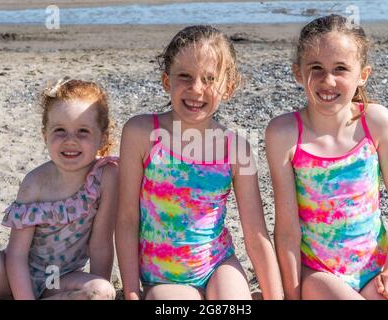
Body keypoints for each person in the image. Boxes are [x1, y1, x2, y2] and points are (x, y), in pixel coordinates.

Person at [116, 25, 283, 300]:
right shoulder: (141, 133)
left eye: (209, 79)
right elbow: (126, 219)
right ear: (166, 81)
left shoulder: (236, 148)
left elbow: (255, 234)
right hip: (163, 275)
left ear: (227, 88)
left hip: (218, 264)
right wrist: (132, 291)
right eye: (185, 76)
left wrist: (276, 297)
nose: (196, 89)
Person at [266, 14, 388, 300]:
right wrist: (293, 294)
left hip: (374, 270)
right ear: (298, 73)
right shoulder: (283, 134)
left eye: (341, 68)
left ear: (362, 74)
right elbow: (286, 230)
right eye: (316, 68)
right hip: (318, 275)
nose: (328, 80)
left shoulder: (376, 121)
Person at [0, 77, 118, 300]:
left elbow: (101, 244)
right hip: (12, 274)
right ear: (45, 135)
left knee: (101, 291)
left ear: (102, 139)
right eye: (60, 130)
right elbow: (16, 255)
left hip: (58, 281)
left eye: (82, 131)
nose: (70, 140)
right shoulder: (34, 183)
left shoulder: (106, 177)